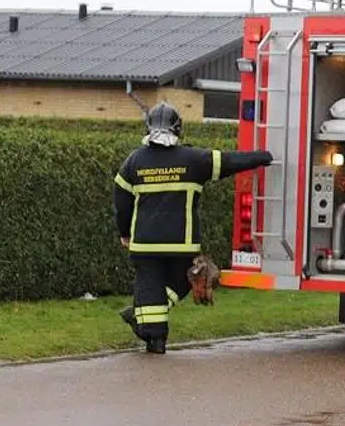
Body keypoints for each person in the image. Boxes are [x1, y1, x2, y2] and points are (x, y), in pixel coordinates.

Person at [112, 102, 273, 354]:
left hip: (144, 244)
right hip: (182, 243)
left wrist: (124, 233)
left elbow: (121, 203)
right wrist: (264, 157)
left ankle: (151, 335)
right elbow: (231, 160)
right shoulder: (193, 159)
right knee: (186, 278)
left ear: (149, 127)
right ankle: (142, 319)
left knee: (150, 287)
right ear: (178, 129)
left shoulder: (134, 162)